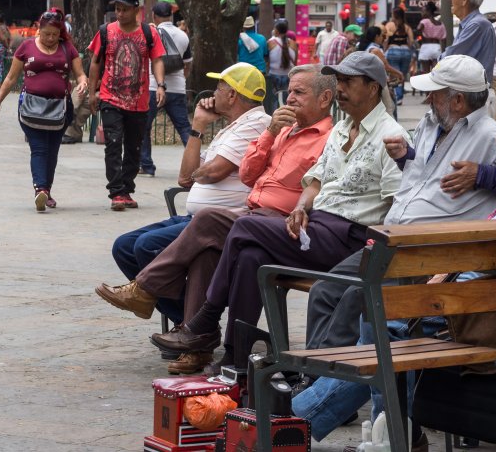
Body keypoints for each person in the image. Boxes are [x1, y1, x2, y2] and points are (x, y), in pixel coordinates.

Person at [296, 67, 496, 447]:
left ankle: (307, 423)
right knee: (381, 313)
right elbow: (493, 223)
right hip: (482, 276)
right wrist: (453, 271)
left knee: (388, 323)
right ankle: (389, 432)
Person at [150, 52, 406, 371]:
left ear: (372, 88)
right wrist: (301, 207)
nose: (340, 88)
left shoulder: (391, 135)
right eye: (338, 80)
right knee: (250, 256)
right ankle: (236, 358)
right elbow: (315, 180)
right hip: (314, 226)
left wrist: (374, 255)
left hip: (350, 239)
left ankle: (204, 320)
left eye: (347, 82)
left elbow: (398, 204)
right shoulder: (343, 129)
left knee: (243, 227)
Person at [293, 56, 496, 445]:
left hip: (430, 253)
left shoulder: (491, 136)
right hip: (393, 239)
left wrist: (484, 174)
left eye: (434, 94)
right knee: (340, 296)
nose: (426, 101)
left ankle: (318, 419)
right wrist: (405, 158)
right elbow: (423, 181)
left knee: (372, 313)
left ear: (457, 101)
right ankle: (380, 425)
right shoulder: (430, 126)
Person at [95, 65, 334, 374]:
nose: (290, 99)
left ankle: (146, 290)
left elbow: (211, 174)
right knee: (202, 250)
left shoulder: (327, 137)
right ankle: (197, 341)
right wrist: (271, 134)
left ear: (325, 98)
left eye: (299, 93)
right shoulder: (280, 128)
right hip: (248, 214)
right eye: (289, 91)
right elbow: (246, 173)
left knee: (200, 226)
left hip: (279, 221)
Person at [97, 62, 269, 326]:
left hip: (221, 221)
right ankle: (188, 321)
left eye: (219, 87)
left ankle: (192, 324)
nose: (214, 93)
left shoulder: (257, 123)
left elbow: (211, 173)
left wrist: (201, 172)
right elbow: (186, 177)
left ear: (233, 95)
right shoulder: (231, 126)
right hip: (194, 219)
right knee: (124, 246)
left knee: (147, 246)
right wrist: (198, 126)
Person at [0, 11, 87, 211]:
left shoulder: (68, 48)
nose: (51, 38)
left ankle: (46, 190)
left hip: (60, 108)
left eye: (54, 34)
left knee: (53, 150)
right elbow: (10, 78)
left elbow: (80, 74)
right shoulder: (26, 47)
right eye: (46, 34)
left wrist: (83, 83)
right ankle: (40, 189)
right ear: (38, 30)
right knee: (39, 148)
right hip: (31, 108)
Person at [87, 0, 167, 210]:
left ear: (136, 10)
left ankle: (126, 189)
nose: (119, 14)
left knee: (134, 147)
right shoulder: (106, 31)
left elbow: (158, 60)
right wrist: (93, 92)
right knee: (113, 143)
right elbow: (95, 62)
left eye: (124, 9)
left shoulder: (148, 33)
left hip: (139, 101)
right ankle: (116, 192)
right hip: (110, 98)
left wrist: (160, 85)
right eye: (117, 9)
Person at [139, 1, 192, 177]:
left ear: (154, 15)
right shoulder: (183, 36)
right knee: (184, 127)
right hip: (177, 88)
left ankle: (146, 165)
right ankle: (196, 164)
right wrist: (181, 80)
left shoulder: (150, 32)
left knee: (145, 126)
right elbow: (187, 64)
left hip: (153, 86)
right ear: (171, 15)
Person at [441, 0, 496, 80]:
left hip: (472, 92)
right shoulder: (471, 23)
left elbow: (450, 59)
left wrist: (439, 59)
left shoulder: (477, 24)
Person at [384, 7, 417, 104]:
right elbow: (411, 42)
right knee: (402, 75)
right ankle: (400, 96)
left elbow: (386, 40)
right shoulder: (407, 27)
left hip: (393, 51)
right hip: (406, 52)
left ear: (394, 15)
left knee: (395, 75)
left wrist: (384, 50)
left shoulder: (389, 26)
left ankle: (397, 96)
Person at [357, 25, 404, 91]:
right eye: (382, 36)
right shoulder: (375, 50)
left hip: (370, 82)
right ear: (377, 36)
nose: (383, 38)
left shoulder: (368, 47)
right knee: (387, 101)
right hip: (377, 83)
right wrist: (399, 73)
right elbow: (386, 67)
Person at [264, 20, 297, 114]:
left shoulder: (271, 42)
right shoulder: (293, 43)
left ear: (277, 31)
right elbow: (295, 61)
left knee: (274, 98)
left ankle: (275, 116)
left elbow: (267, 59)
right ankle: (287, 115)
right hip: (289, 75)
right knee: (287, 98)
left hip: (274, 75)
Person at [416, 0, 446, 75]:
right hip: (436, 47)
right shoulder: (441, 24)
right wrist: (443, 52)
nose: (422, 13)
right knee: (435, 72)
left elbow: (418, 29)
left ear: (428, 11)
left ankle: (426, 86)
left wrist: (420, 39)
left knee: (426, 72)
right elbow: (444, 39)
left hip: (426, 46)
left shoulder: (424, 21)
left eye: (423, 11)